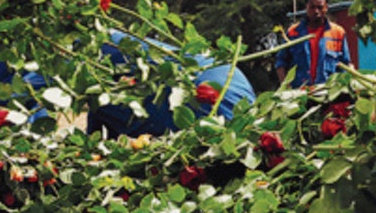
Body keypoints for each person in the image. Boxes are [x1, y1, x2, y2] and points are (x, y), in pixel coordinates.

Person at [83, 32, 253, 136]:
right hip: (227, 75)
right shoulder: (110, 45)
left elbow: (98, 103)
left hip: (207, 97)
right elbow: (98, 108)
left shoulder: (96, 51)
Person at [272, 0, 350, 88]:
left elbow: (346, 64)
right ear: (306, 8)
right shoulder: (293, 32)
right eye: (312, 7)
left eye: (320, 7)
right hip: (299, 93)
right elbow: (281, 63)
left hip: (328, 92)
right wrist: (285, 87)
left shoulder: (338, 32)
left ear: (326, 8)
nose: (316, 11)